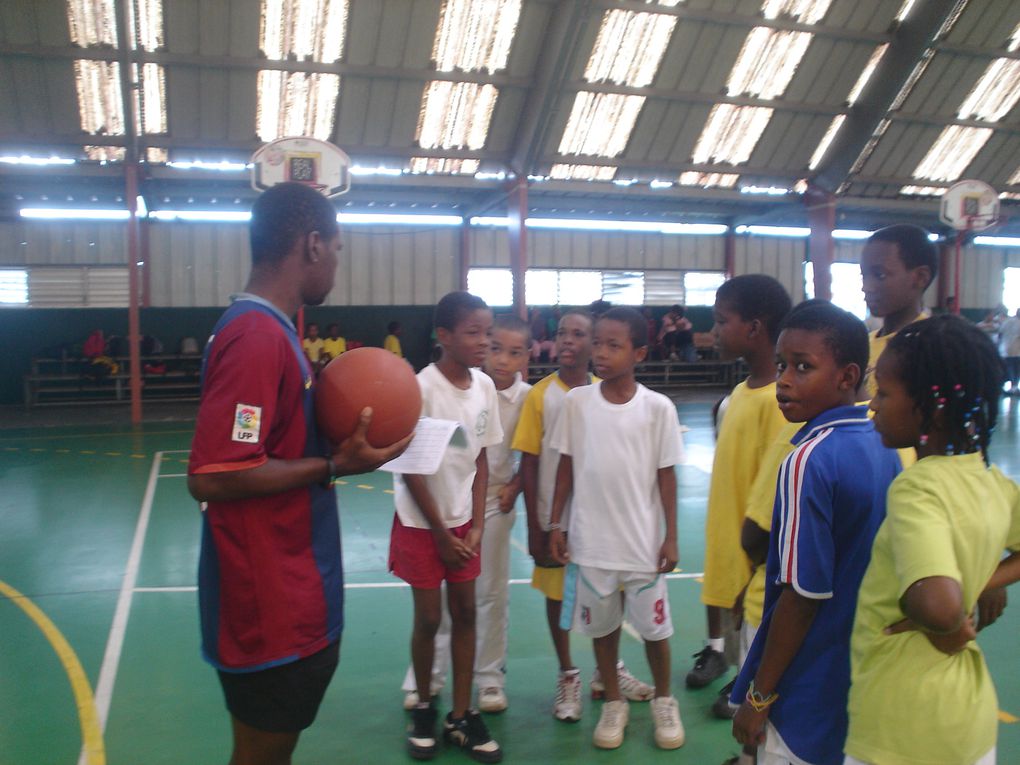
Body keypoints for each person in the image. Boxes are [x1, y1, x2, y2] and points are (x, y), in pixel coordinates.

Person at [186, 182, 410, 765]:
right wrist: (335, 464)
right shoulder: (257, 337)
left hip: (291, 592)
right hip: (269, 605)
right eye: (336, 247)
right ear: (313, 245)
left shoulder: (276, 333)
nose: (336, 260)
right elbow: (213, 475)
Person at [730, 300, 901, 765]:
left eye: (803, 367)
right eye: (783, 364)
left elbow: (803, 595)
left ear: (847, 376)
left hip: (806, 681)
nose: (784, 379)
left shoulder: (806, 461)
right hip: (858, 670)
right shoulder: (879, 440)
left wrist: (760, 696)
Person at [845, 315, 1020, 765]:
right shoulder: (992, 480)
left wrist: (941, 614)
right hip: (967, 719)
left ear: (933, 409)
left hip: (904, 727)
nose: (872, 405)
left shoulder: (918, 487)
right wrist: (979, 581)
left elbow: (941, 608)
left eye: (883, 393)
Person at [548, 306, 685, 751]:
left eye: (613, 344)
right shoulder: (576, 404)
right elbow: (565, 467)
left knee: (655, 631)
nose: (599, 352)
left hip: (642, 546)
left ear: (639, 352)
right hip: (591, 543)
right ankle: (613, 699)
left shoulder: (657, 408)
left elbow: (667, 476)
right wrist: (557, 522)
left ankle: (665, 699)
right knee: (602, 629)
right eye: (597, 343)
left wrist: (671, 535)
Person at [511, 309, 654, 723]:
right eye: (562, 334)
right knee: (558, 599)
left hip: (600, 519)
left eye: (579, 334)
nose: (569, 341)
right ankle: (568, 673)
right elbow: (531, 462)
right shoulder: (541, 395)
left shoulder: (605, 393)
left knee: (610, 593)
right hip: (556, 522)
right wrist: (539, 527)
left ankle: (606, 672)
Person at [399, 314, 531, 715]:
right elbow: (415, 464)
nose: (499, 356)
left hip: (488, 503)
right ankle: (427, 679)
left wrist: (511, 490)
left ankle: (487, 680)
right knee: (434, 606)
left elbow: (517, 453)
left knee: (486, 597)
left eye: (511, 350)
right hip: (440, 508)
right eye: (490, 343)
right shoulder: (433, 388)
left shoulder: (517, 394)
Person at [391, 291, 503, 763]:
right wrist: (440, 531)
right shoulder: (420, 388)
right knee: (430, 619)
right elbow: (409, 468)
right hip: (422, 524)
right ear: (444, 336)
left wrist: (475, 527)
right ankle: (424, 703)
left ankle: (461, 714)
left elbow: (480, 460)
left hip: (464, 525)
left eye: (488, 333)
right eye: (473, 333)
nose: (484, 343)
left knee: (467, 614)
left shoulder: (484, 388)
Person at [690, 275, 791, 705]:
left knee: (760, 704)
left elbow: (775, 508)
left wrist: (750, 575)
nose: (713, 332)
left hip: (756, 580)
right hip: (731, 566)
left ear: (755, 327)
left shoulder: (779, 404)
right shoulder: (737, 395)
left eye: (720, 321)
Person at [860, 224, 938, 398]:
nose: (866, 287)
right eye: (863, 275)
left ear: (920, 277)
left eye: (879, 275)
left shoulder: (930, 350)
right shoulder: (862, 344)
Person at [1000, 307, 1020, 394]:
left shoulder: (1007, 321)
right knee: (1016, 368)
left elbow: (1000, 333)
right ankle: (1014, 386)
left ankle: (1011, 386)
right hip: (1017, 350)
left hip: (1006, 349)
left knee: (1009, 367)